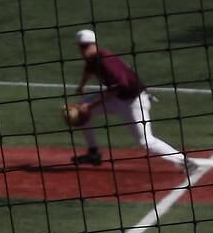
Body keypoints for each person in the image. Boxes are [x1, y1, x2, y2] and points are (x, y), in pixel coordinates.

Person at [70, 29, 202, 176]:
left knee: (145, 141)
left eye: (86, 46)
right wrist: (81, 86)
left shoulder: (105, 61)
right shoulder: (93, 57)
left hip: (134, 102)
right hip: (118, 98)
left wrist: (90, 105)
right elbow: (89, 69)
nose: (83, 50)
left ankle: (186, 162)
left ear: (94, 44)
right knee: (80, 111)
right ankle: (93, 152)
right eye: (81, 46)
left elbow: (119, 87)